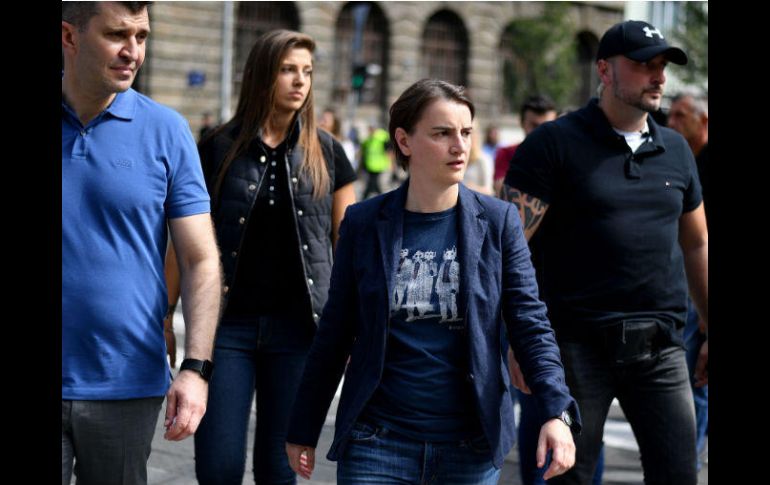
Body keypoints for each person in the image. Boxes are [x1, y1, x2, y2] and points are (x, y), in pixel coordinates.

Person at [285, 79, 579, 485]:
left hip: (469, 450)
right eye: (442, 133)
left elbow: (530, 322)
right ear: (404, 141)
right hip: (377, 443)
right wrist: (304, 427)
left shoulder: (498, 222)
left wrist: (555, 411)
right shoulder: (365, 223)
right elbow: (335, 331)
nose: (459, 146)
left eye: (466, 132)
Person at [501, 20, 707, 484]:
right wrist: (515, 336)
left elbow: (696, 241)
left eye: (661, 66)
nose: (657, 77)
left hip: (661, 349)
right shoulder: (553, 144)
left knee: (679, 475)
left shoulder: (676, 150)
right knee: (563, 476)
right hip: (574, 347)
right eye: (642, 65)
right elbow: (507, 248)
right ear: (605, 71)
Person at [163, 29, 357, 484]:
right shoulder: (217, 148)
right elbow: (184, 244)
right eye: (288, 69)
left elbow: (348, 251)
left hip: (299, 333)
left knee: (279, 468)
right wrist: (164, 316)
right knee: (219, 467)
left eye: (307, 71)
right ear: (261, 75)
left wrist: (352, 328)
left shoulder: (328, 152)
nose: (300, 81)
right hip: (225, 329)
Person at [62, 2, 222, 485]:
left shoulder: (168, 131)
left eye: (143, 36)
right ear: (69, 37)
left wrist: (195, 369)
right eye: (117, 35)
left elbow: (201, 259)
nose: (133, 52)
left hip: (126, 380)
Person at [668, 91, 709, 467]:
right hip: (681, 287)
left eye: (682, 116)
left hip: (700, 292)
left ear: (704, 122)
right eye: (671, 115)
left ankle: (688, 463)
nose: (672, 122)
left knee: (694, 382)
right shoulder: (679, 159)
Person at [493, 95, 557, 194]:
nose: (540, 132)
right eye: (534, 125)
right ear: (522, 123)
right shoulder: (506, 153)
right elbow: (501, 190)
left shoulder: (562, 158)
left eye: (546, 126)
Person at [462, 120, 494, 195]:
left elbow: (489, 191)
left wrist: (465, 188)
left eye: (467, 133)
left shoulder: (483, 160)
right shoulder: (457, 157)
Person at [360, 124, 392, 199]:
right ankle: (382, 199)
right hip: (370, 166)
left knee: (376, 184)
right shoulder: (368, 140)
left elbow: (389, 151)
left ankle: (367, 199)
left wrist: (390, 163)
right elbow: (363, 153)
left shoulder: (383, 138)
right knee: (373, 185)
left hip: (380, 166)